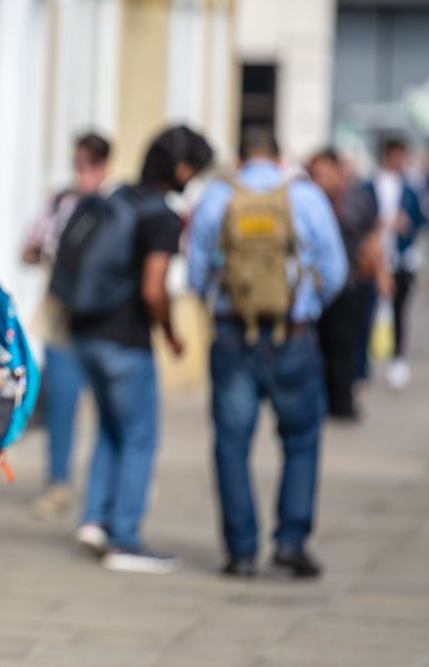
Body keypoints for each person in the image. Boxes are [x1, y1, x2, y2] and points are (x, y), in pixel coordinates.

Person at [189, 127, 347, 579]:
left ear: (240, 160)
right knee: (300, 441)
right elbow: (334, 271)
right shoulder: (307, 197)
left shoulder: (216, 198)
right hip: (291, 336)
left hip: (232, 335)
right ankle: (291, 542)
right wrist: (305, 308)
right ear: (279, 159)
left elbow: (198, 273)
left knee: (232, 445)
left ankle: (240, 551)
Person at [72, 126, 213, 574]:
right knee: (139, 437)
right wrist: (171, 332)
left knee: (111, 430)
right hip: (126, 341)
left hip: (87, 334)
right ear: (183, 168)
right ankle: (125, 540)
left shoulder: (117, 197)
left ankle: (95, 520)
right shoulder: (162, 216)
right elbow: (154, 288)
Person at [22, 132, 112, 520]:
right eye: (78, 163)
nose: (83, 172)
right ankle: (58, 481)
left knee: (112, 404)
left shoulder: (113, 207)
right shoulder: (60, 203)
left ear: (105, 165)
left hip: (105, 316)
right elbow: (27, 249)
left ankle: (112, 485)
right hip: (61, 311)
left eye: (90, 164)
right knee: (61, 398)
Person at [308, 148, 391, 419]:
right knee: (317, 347)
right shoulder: (307, 200)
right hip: (315, 287)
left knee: (346, 346)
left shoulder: (358, 200)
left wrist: (381, 274)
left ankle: (341, 401)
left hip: (350, 284)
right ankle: (320, 401)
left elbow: (372, 238)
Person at [366, 137, 426, 389]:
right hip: (374, 257)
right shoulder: (369, 185)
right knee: (369, 309)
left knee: (400, 309)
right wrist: (381, 222)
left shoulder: (411, 190)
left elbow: (421, 221)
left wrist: (406, 224)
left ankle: (397, 359)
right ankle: (365, 360)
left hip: (401, 258)